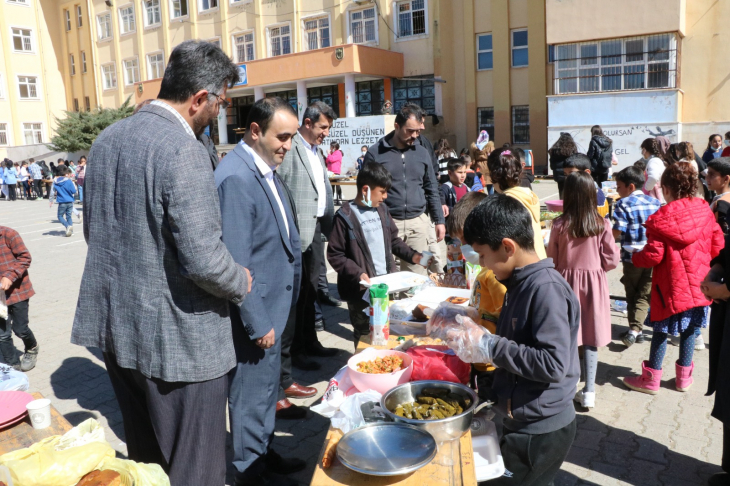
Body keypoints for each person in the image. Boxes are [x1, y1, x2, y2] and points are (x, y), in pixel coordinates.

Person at [71, 40, 251, 486]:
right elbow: (205, 261)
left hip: (120, 334)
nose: (220, 113)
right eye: (221, 102)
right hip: (181, 346)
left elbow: (97, 233)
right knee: (198, 469)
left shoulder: (109, 137)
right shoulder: (183, 149)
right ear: (199, 99)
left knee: (148, 463)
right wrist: (240, 281)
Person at [431, 194, 579, 486]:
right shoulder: (518, 281)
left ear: (508, 247)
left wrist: (490, 346)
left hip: (540, 429)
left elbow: (553, 363)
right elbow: (518, 333)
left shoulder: (545, 290)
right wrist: (467, 316)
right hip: (520, 417)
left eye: (482, 254)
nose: (482, 262)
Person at [216, 97, 304, 486]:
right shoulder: (236, 176)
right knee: (251, 397)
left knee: (267, 392)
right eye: (282, 137)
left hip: (275, 306)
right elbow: (237, 262)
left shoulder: (263, 167)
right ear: (255, 131)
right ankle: (248, 470)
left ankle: (263, 453)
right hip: (258, 315)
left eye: (292, 137)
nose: (288, 145)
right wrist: (257, 322)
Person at [623, 162, 723, 395]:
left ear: (666, 189)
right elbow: (718, 245)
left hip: (669, 289)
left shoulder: (661, 219)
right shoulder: (705, 211)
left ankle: (650, 379)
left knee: (660, 332)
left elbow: (653, 255)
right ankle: (684, 379)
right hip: (700, 286)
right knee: (689, 330)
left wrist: (635, 257)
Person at [277, 101, 338, 412]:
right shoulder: (292, 148)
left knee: (312, 290)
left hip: (315, 230)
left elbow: (321, 189)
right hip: (296, 232)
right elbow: (283, 187)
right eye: (323, 127)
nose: (326, 133)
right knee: (297, 297)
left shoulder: (316, 149)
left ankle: (310, 342)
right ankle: (296, 353)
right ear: (308, 122)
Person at [327, 162, 426, 347]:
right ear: (366, 189)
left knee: (386, 331)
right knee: (365, 336)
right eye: (382, 191)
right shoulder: (345, 216)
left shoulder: (382, 210)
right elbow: (335, 254)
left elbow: (394, 241)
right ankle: (363, 369)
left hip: (386, 287)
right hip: (361, 292)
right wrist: (357, 273)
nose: (385, 197)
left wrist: (413, 256)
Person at [548, 172, 619, 408]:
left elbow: (552, 260)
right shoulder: (602, 224)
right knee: (590, 337)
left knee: (569, 337)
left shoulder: (559, 224)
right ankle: (589, 392)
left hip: (565, 285)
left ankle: (567, 386)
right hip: (594, 286)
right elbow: (611, 260)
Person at [363, 103, 445, 276]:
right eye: (410, 131)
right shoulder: (375, 153)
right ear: (396, 126)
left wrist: (439, 220)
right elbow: (366, 192)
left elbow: (431, 187)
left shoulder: (422, 152)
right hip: (388, 224)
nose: (415, 136)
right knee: (389, 277)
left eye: (418, 131)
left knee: (417, 279)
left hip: (418, 225)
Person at [612, 166, 662, 348]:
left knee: (631, 292)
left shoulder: (623, 204)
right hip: (652, 256)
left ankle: (634, 330)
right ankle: (637, 331)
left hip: (632, 258)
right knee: (644, 293)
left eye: (618, 186)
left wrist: (604, 242)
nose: (617, 190)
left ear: (630, 186)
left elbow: (617, 231)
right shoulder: (655, 203)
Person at [487, 148, 547, 259]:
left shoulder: (505, 202)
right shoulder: (528, 195)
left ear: (493, 175)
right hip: (539, 260)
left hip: (522, 266)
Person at [0, 226, 38, 371]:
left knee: (20, 329)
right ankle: (13, 365)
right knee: (2, 335)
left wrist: (9, 276)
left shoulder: (8, 234)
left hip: (17, 291)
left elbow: (25, 257)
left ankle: (32, 347)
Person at [549, 132, 578, 199]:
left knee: (561, 190)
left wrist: (555, 169)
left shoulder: (554, 150)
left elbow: (552, 164)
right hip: (569, 173)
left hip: (558, 174)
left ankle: (561, 204)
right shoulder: (572, 149)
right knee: (571, 190)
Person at [51, 166, 76, 237]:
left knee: (60, 216)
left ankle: (67, 226)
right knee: (69, 216)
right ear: (66, 173)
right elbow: (73, 191)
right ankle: (71, 231)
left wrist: (51, 200)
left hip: (62, 201)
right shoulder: (69, 181)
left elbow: (52, 192)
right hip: (70, 201)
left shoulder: (55, 181)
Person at [707, 158, 730, 235]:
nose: (706, 178)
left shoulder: (721, 205)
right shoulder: (719, 199)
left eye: (712, 174)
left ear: (726, 179)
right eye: (707, 173)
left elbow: (721, 235)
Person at [641, 137, 666, 203]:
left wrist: (646, 189)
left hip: (654, 198)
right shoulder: (656, 160)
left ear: (645, 149)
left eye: (642, 150)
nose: (642, 153)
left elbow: (653, 177)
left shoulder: (654, 161)